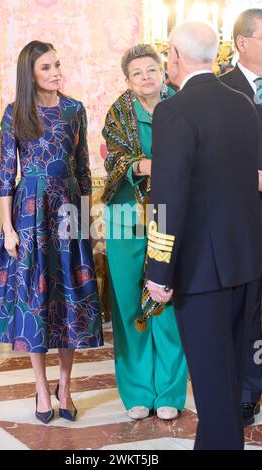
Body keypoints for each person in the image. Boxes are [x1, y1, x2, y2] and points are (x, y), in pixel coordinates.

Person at [146, 21, 262, 450]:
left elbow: (167, 197)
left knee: (213, 389)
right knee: (231, 384)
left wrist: (158, 270)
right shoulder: (242, 103)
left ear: (174, 56)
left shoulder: (172, 110)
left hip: (201, 270)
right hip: (246, 260)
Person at [0, 40, 103, 424]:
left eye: (57, 65)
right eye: (46, 68)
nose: (56, 72)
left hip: (69, 211)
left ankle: (66, 386)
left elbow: (84, 171)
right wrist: (7, 227)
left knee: (70, 299)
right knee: (35, 304)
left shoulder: (74, 110)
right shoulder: (15, 113)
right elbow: (7, 174)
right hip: (29, 214)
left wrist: (85, 220)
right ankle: (41, 388)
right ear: (31, 74)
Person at [102, 44, 188, 421]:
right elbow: (114, 160)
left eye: (151, 69)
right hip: (126, 217)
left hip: (173, 215)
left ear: (163, 70)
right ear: (128, 80)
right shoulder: (118, 113)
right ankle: (137, 391)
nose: (146, 77)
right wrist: (146, 165)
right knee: (129, 305)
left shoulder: (183, 108)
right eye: (137, 73)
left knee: (168, 300)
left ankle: (170, 391)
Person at [219, 8, 262, 426]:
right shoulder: (220, 90)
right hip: (243, 219)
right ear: (243, 43)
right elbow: (211, 159)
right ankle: (247, 392)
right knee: (247, 310)